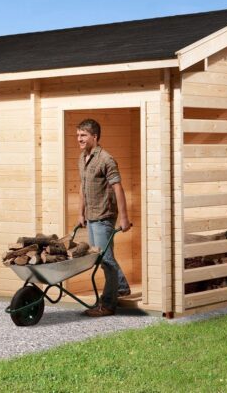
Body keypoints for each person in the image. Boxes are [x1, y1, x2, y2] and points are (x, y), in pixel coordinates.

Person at [76, 118, 132, 317]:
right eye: (78, 135)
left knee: (105, 259)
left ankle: (108, 305)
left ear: (94, 137)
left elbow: (118, 187)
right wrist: (81, 213)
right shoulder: (82, 159)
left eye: (83, 135)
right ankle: (122, 287)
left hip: (104, 216)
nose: (79, 139)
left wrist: (124, 218)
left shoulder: (106, 159)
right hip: (91, 217)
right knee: (101, 259)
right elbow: (83, 188)